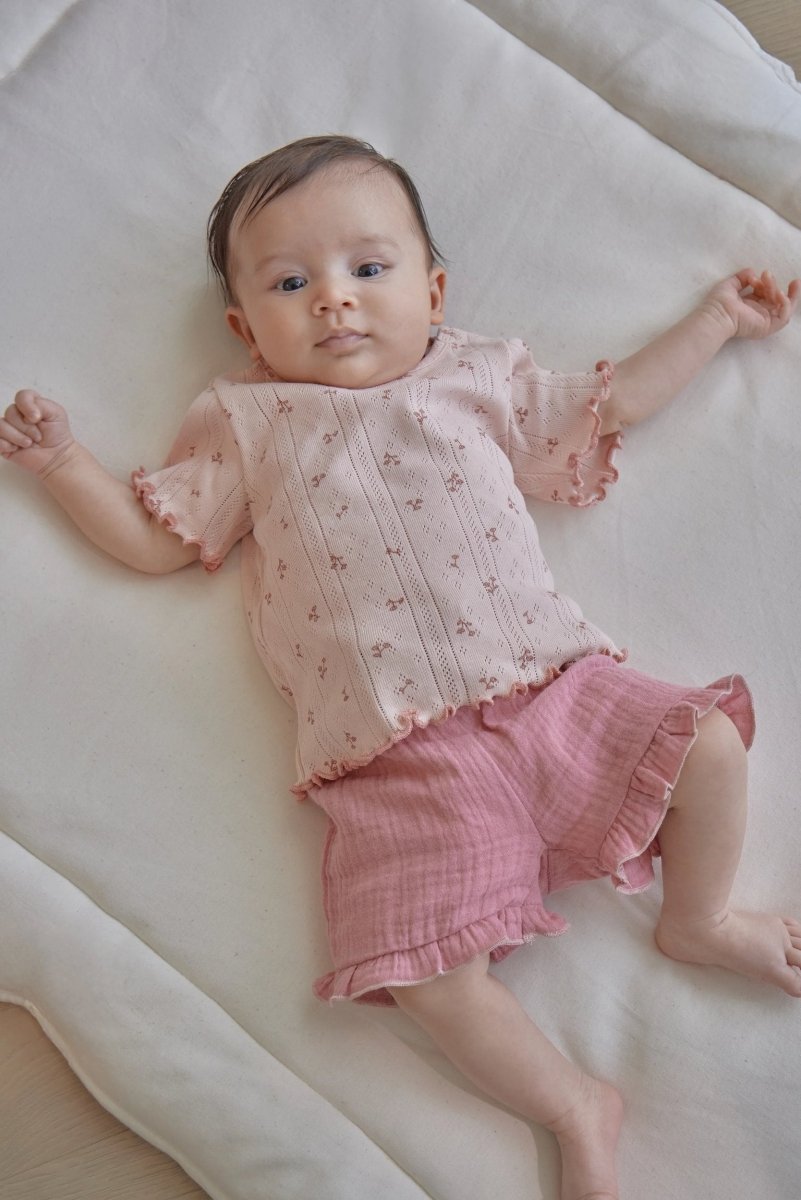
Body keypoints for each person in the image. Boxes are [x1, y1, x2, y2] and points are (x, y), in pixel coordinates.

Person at [3, 135, 800, 1200]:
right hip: (396, 758)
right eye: (290, 284)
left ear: (432, 292)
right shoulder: (248, 422)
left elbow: (605, 407)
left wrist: (717, 322)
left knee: (706, 745)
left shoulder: (475, 375)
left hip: (548, 686)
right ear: (245, 329)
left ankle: (700, 918)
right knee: (429, 977)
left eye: (367, 268)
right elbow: (156, 541)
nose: (333, 299)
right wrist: (64, 464)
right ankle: (573, 1105)